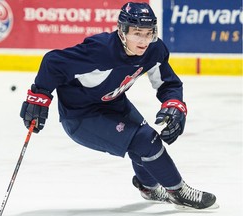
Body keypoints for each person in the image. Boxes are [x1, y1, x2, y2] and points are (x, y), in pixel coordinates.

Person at [20, 2, 217, 209]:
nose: (143, 40)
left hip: (114, 103)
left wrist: (174, 104)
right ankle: (179, 192)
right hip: (82, 116)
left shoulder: (154, 49)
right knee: (145, 140)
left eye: (148, 33)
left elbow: (168, 82)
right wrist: (38, 96)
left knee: (142, 143)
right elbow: (54, 62)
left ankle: (148, 187)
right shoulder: (100, 50)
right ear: (122, 32)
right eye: (137, 33)